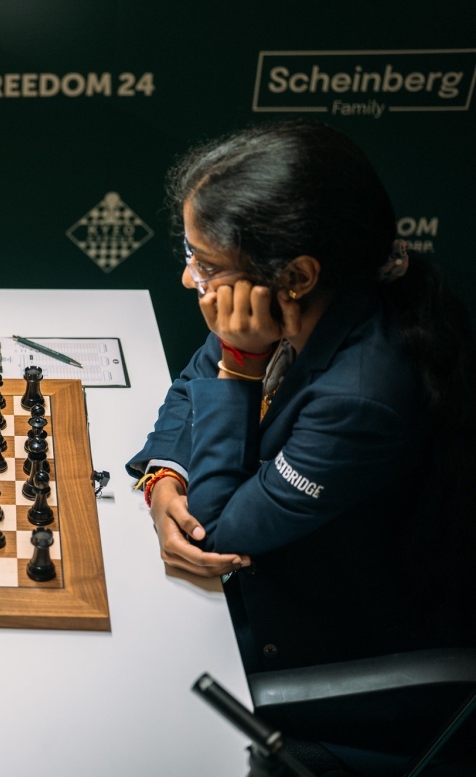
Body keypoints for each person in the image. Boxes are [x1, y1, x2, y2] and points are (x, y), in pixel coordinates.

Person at [128, 122, 475, 769]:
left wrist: (239, 365)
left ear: (296, 274)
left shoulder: (361, 397)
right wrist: (165, 475)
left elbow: (216, 529)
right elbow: (194, 381)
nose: (186, 277)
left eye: (206, 264)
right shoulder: (293, 308)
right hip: (277, 590)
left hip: (343, 663)